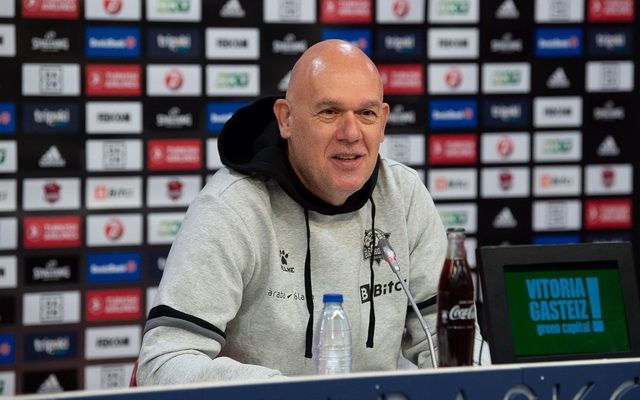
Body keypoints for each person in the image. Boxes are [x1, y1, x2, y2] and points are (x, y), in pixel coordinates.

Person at [136, 39, 488, 385]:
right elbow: (164, 362)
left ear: (382, 122)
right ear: (286, 119)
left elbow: (450, 340)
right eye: (329, 112)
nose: (350, 133)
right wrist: (292, 394)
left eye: (365, 113)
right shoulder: (232, 206)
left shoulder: (404, 195)